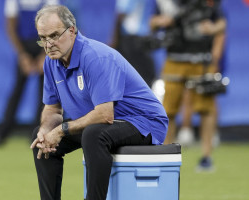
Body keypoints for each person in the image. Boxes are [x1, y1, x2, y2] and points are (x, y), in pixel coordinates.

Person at [30, 5, 168, 200]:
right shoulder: (51, 61)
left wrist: (60, 130)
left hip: (144, 122)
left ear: (72, 31)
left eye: (54, 35)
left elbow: (104, 114)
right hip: (104, 125)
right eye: (43, 38)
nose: (48, 44)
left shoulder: (95, 57)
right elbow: (52, 109)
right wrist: (46, 131)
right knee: (39, 137)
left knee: (94, 134)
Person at [151, 0, 226, 171]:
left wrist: (213, 29)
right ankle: (165, 155)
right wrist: (162, 21)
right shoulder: (166, 1)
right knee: (167, 109)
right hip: (174, 59)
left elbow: (221, 22)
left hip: (201, 59)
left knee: (206, 109)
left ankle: (207, 157)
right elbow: (153, 22)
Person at [0, 0, 59, 146]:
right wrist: (22, 55)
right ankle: (2, 134)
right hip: (24, 47)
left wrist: (46, 55)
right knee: (17, 91)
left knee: (45, 95)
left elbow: (55, 28)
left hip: (44, 46)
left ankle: (39, 135)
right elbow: (10, 27)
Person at [111, 0, 159, 87]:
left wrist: (114, 40)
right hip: (134, 41)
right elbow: (120, 14)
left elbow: (120, 14)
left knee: (141, 78)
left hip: (138, 42)